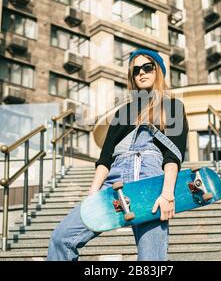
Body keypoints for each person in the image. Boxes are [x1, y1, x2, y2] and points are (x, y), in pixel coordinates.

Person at [47, 49, 191, 261]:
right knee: (62, 238)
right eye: (135, 70)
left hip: (150, 187)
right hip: (114, 185)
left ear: (158, 70)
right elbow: (105, 158)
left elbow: (173, 155)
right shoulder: (122, 113)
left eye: (147, 67)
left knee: (151, 262)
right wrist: (92, 194)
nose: (141, 73)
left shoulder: (172, 107)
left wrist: (168, 193)